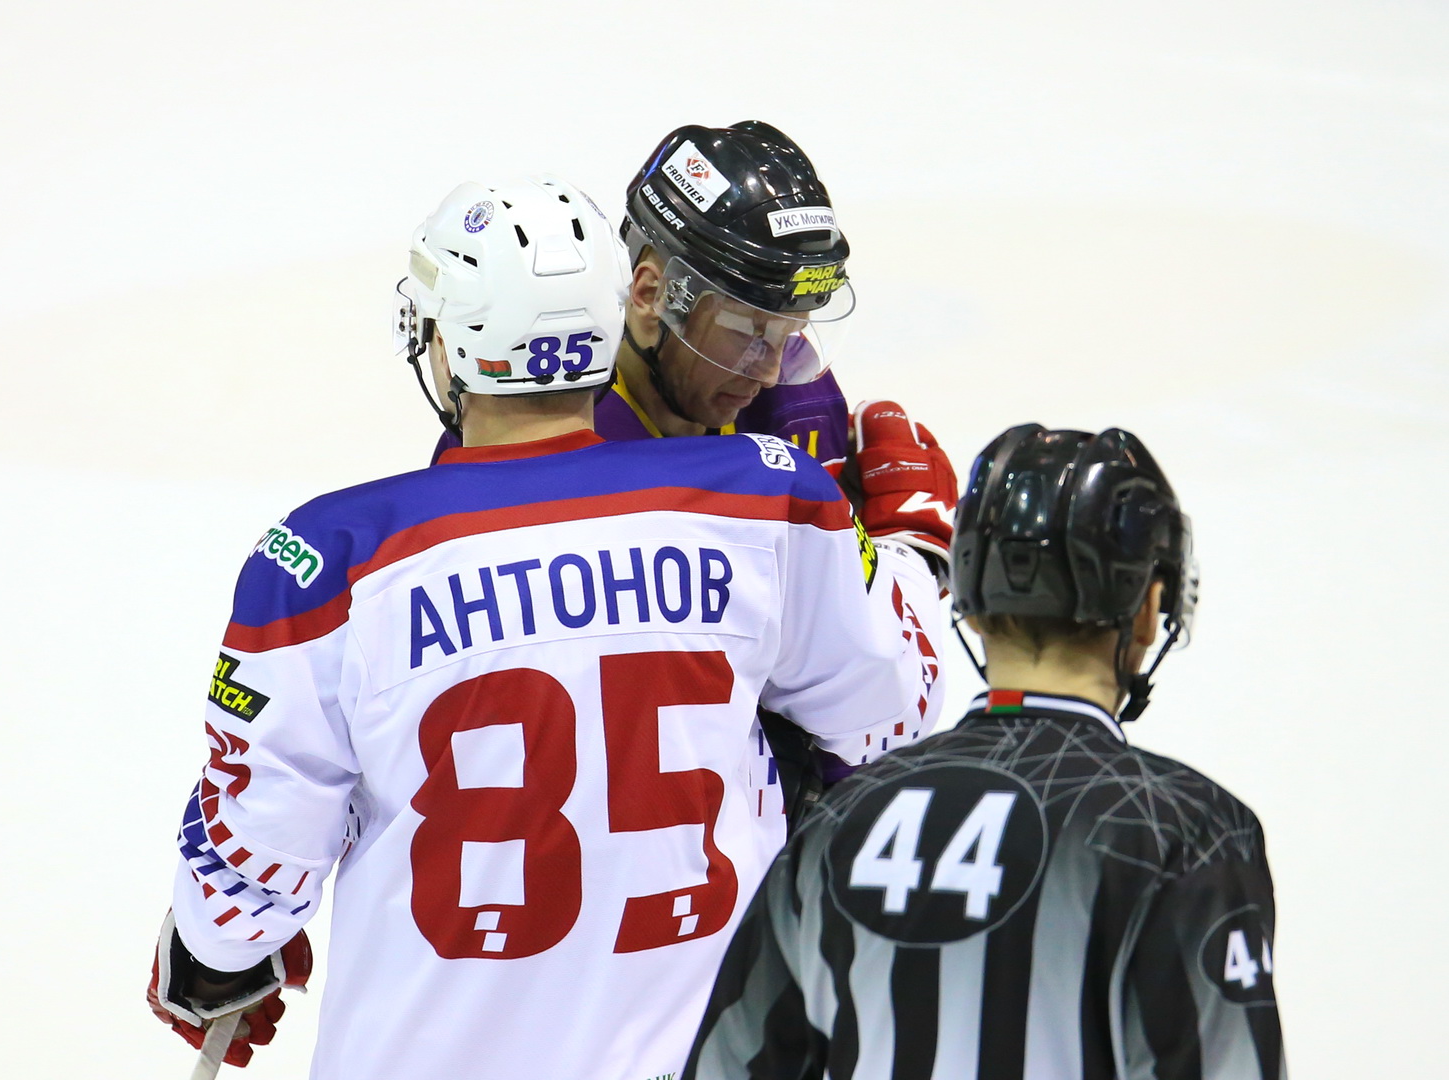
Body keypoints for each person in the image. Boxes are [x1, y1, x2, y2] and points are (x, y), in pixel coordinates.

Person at [147, 175, 947, 1079]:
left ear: (445, 342)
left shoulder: (329, 557)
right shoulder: (767, 501)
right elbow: (895, 712)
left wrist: (215, 958)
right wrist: (911, 556)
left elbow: (241, 892)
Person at [683, 425, 1286, 1080]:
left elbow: (730, 1065)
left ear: (971, 609)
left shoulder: (839, 819)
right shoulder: (1191, 831)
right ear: (1148, 610)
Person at [431, 120, 959, 828]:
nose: (768, 369)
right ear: (651, 295)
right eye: (746, 329)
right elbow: (882, 712)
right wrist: (908, 558)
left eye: (790, 329)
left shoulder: (789, 404)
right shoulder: (536, 440)